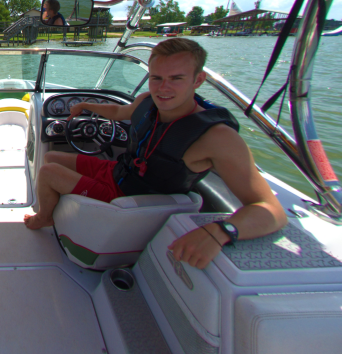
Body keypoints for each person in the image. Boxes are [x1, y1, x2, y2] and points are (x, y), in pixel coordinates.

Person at [24, 37, 287, 269]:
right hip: (118, 172)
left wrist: (218, 232)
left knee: (48, 172)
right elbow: (119, 112)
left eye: (176, 78)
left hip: (130, 197)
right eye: (156, 77)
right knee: (52, 157)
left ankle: (45, 217)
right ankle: (54, 210)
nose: (163, 88)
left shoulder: (218, 138)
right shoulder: (147, 102)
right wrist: (83, 104)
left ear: (198, 80)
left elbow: (271, 210)